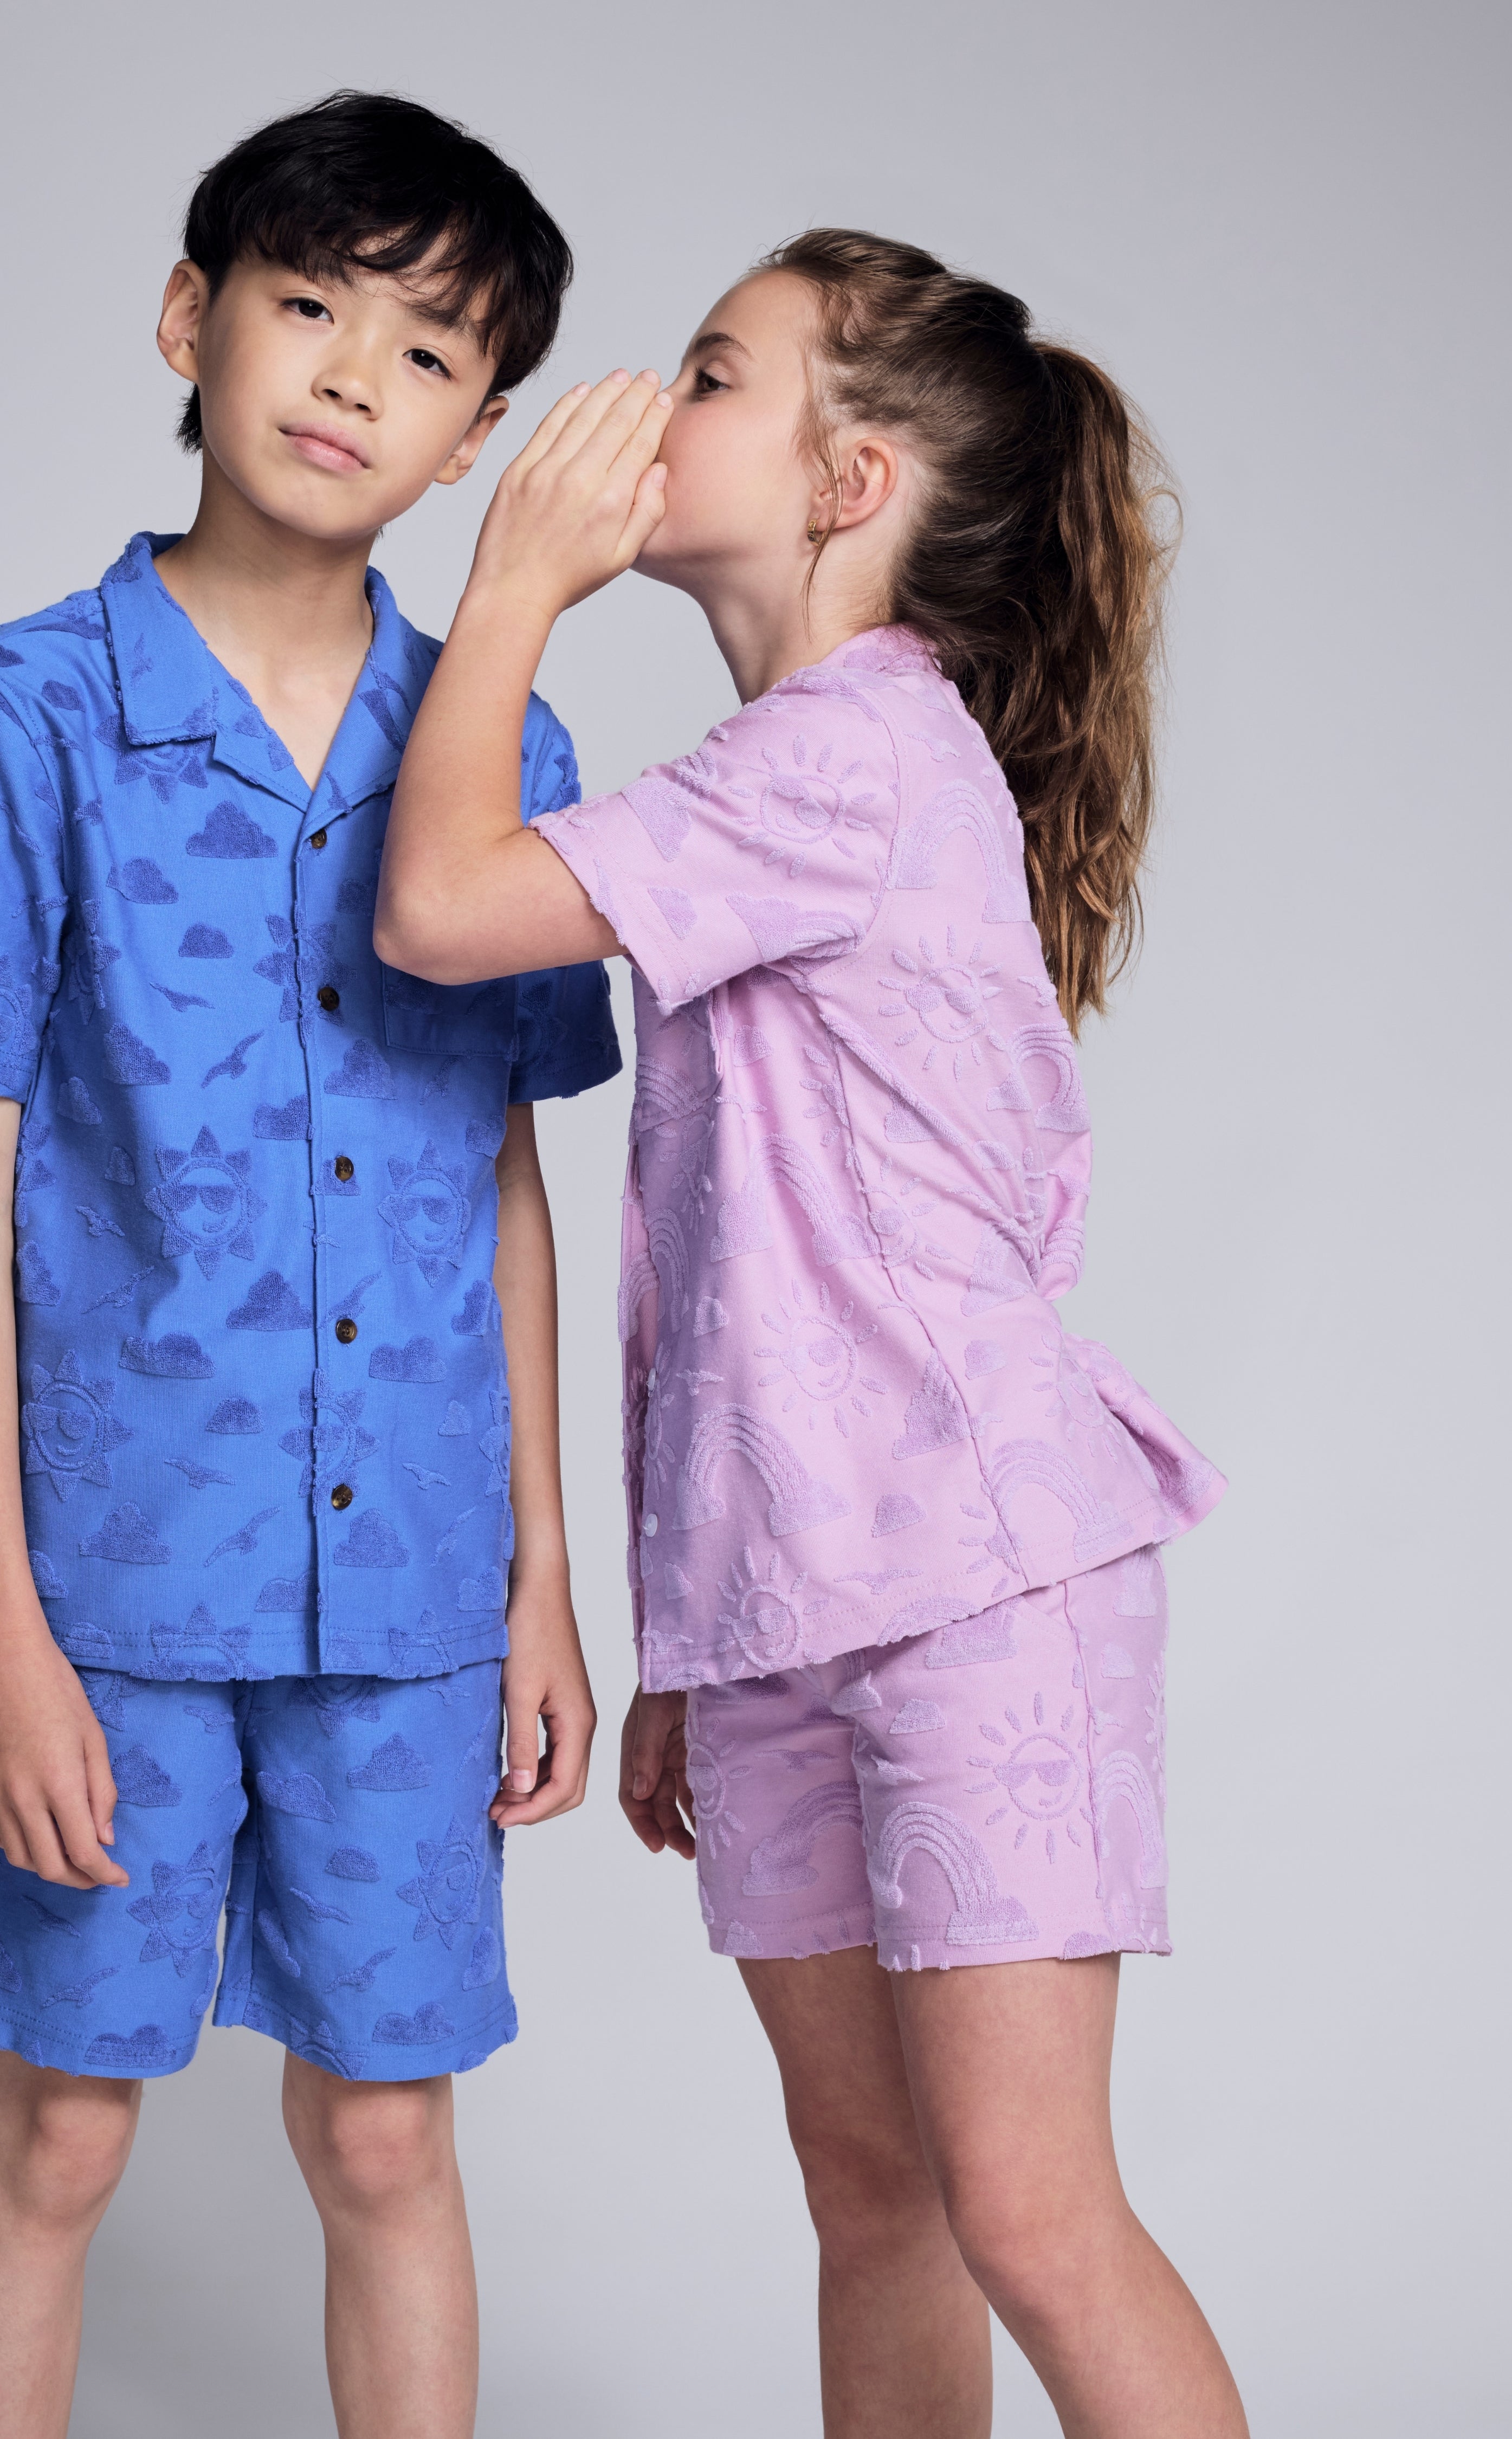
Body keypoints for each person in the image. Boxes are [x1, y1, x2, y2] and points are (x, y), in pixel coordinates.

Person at [377, 230, 1249, 2436]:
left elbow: (440, 906)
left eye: (709, 372)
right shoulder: (777, 775)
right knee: (872, 2198)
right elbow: (735, 1267)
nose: (644, 412)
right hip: (792, 1609)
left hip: (977, 1585)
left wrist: (513, 585)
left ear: (848, 481)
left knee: (1031, 2214)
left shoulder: (855, 758)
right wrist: (704, 1635)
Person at [0, 92, 619, 2439]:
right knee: (58, 2126)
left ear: (476, 437)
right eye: (307, 303)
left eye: (433, 351)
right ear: (191, 317)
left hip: (413, 1595)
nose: (357, 375)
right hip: (115, 1587)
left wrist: (545, 1579)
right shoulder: (21, 718)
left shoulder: (506, 745)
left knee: (385, 2133)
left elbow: (504, 1181)